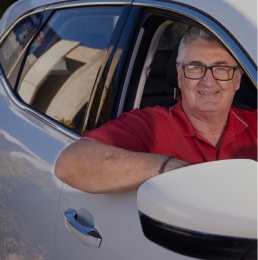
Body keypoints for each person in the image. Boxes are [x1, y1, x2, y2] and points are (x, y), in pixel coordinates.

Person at [54, 27, 257, 194]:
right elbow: (70, 164)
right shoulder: (152, 124)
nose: (208, 81)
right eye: (195, 68)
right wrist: (174, 171)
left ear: (237, 79)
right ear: (179, 75)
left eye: (221, 69)